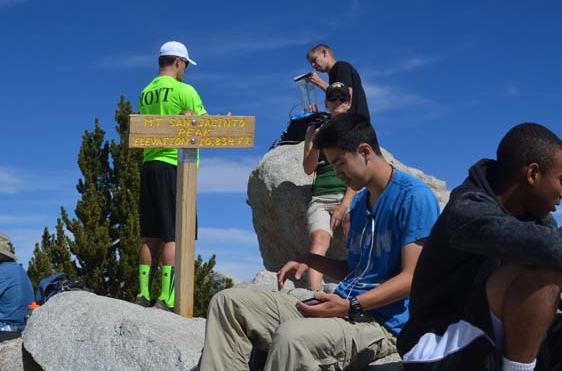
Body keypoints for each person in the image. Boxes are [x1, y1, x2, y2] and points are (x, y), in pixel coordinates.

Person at [199, 113, 439, 371]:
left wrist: (350, 305)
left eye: (339, 162)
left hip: (381, 323)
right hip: (342, 305)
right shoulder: (359, 204)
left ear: (365, 151)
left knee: (291, 338)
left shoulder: (414, 198)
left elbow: (413, 277)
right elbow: (358, 270)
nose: (336, 173)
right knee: (228, 303)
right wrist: (311, 260)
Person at [398, 123, 562, 371]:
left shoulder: (537, 218)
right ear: (532, 173)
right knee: (541, 270)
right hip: (436, 343)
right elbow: (547, 248)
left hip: (485, 330)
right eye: (561, 180)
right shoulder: (467, 210)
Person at [135, 41, 207, 311]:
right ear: (178, 62)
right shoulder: (184, 90)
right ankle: (165, 298)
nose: (185, 70)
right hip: (172, 165)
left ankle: (143, 294)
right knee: (174, 234)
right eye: (185, 65)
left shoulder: (146, 92)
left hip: (149, 164)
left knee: (150, 235)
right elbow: (204, 125)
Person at [302, 82, 358, 291]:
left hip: (347, 195)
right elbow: (308, 168)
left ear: (348, 102)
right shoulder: (315, 128)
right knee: (319, 238)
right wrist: (316, 141)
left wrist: (344, 205)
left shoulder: (354, 129)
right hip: (320, 197)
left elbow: (359, 172)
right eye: (332, 99)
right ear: (326, 102)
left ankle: (355, 287)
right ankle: (314, 293)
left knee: (351, 229)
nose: (337, 103)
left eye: (341, 99)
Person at [306, 43, 370, 120]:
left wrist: (319, 82)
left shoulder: (341, 67)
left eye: (314, 60)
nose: (313, 65)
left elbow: (345, 97)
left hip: (355, 125)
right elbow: (339, 106)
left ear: (324, 53)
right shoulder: (334, 73)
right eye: (311, 63)